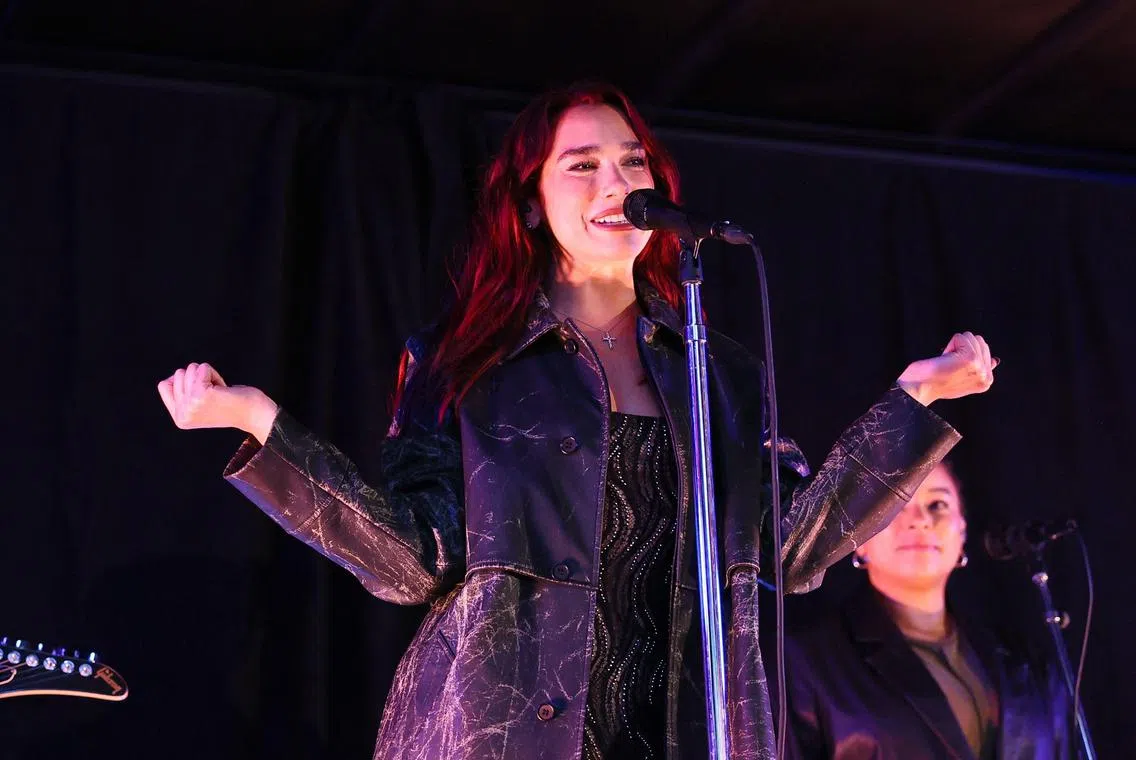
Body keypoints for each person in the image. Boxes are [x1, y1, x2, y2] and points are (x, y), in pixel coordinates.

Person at [156, 82, 997, 760]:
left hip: (685, 729)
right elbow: (414, 562)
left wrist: (912, 402)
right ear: (528, 204)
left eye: (632, 162)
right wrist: (266, 429)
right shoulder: (463, 360)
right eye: (582, 165)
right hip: (509, 730)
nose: (616, 184)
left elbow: (791, 547)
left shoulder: (717, 369)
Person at [770, 461, 1071, 759]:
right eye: (895, 504)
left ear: (962, 530)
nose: (920, 520)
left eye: (938, 504)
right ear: (858, 539)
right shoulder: (805, 664)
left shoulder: (1026, 659)